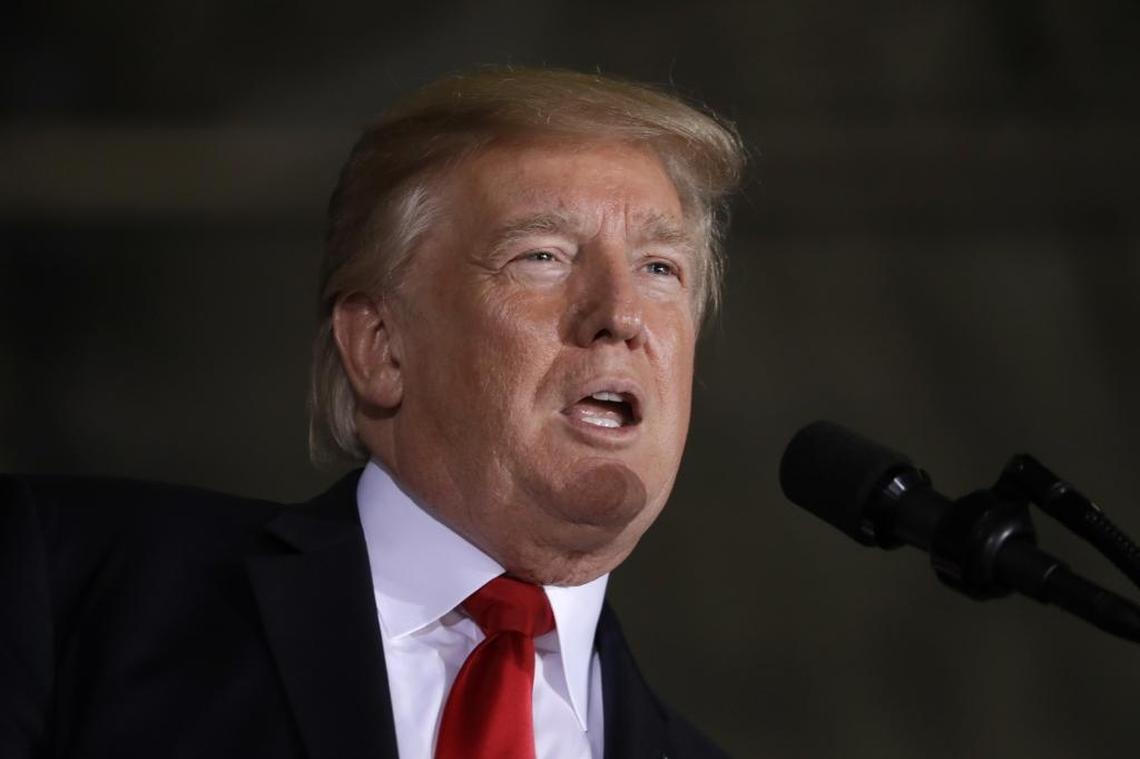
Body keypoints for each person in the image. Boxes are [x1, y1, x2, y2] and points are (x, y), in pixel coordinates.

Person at [1, 67, 744, 758]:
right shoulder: (78, 592)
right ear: (381, 346)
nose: (620, 313)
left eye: (660, 269)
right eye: (543, 255)